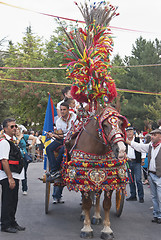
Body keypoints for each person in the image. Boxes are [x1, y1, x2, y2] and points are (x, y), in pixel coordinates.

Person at [126, 128, 161, 224]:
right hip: (152, 174)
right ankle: (156, 215)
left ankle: (160, 215)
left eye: (154, 135)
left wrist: (141, 160)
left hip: (159, 175)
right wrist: (128, 142)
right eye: (152, 135)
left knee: (160, 196)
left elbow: (140, 149)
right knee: (154, 197)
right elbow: (140, 147)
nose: (152, 137)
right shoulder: (150, 146)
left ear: (160, 136)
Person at [0, 118, 25, 233]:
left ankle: (12, 222)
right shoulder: (4, 142)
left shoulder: (13, 140)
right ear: (5, 129)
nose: (15, 128)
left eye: (15, 126)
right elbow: (4, 160)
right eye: (12, 127)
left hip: (15, 175)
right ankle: (5, 224)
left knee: (13, 200)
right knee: (8, 200)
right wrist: (10, 178)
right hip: (8, 176)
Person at [125, 126, 146, 203]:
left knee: (138, 180)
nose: (129, 133)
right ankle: (133, 195)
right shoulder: (125, 141)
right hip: (128, 162)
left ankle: (141, 196)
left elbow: (142, 149)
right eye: (128, 131)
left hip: (136, 162)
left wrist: (143, 159)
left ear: (133, 132)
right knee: (131, 180)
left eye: (130, 131)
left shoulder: (138, 140)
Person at [16, 126, 36, 195]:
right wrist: (19, 138)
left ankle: (24, 189)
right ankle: (15, 188)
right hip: (16, 157)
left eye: (18, 130)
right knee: (16, 173)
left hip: (24, 157)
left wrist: (31, 145)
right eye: (16, 130)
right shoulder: (13, 137)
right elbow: (16, 144)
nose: (17, 131)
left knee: (24, 173)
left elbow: (34, 138)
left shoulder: (24, 136)